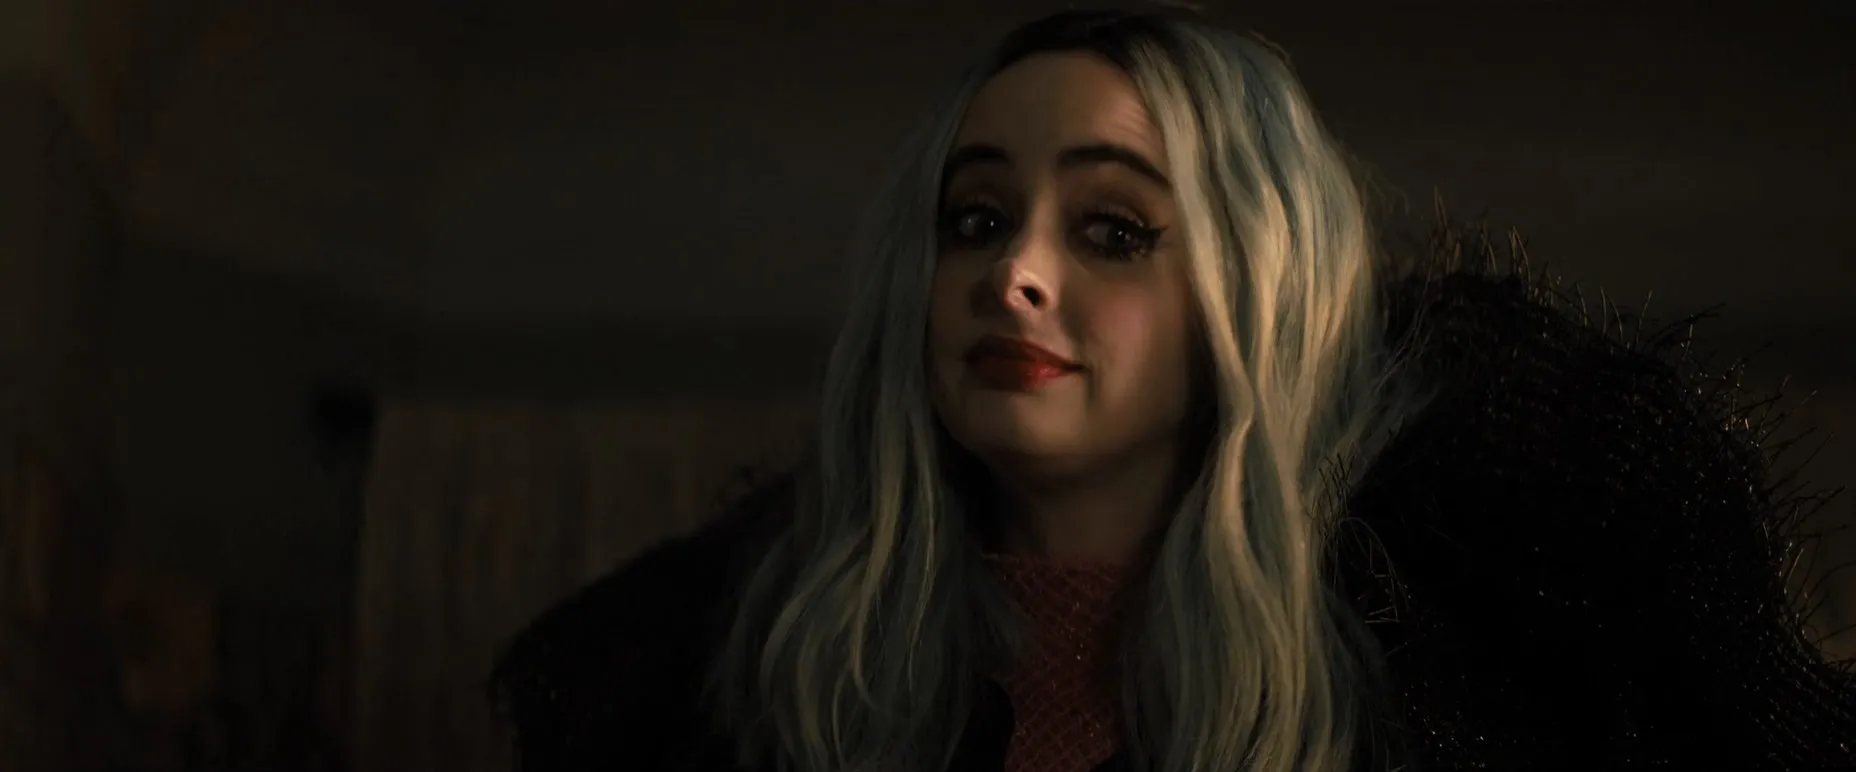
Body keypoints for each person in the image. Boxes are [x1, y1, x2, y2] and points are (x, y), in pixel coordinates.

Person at [487, 9, 1856, 772]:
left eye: (1113, 229)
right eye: (975, 219)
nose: (1014, 274)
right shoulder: (745, 667)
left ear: (1251, 296)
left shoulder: (1461, 673)